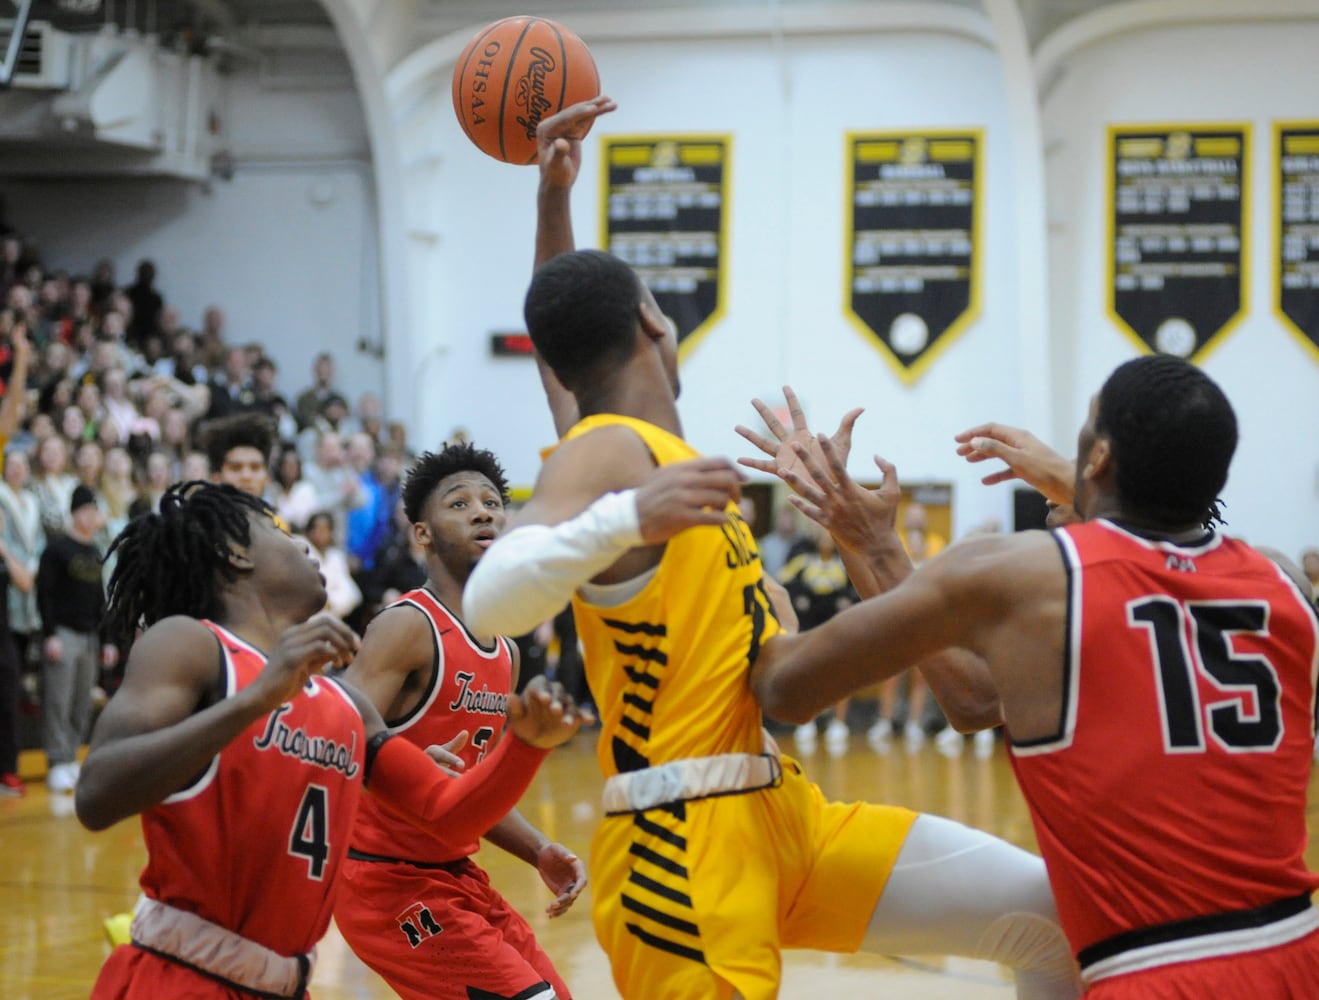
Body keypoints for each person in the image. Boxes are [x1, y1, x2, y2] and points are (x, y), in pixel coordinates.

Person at [463, 97, 1080, 1000]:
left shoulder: (639, 450)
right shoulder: (620, 462)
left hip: (784, 811)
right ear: (653, 323)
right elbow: (492, 596)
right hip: (682, 837)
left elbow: (570, 341)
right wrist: (624, 522)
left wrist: (553, 203)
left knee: (1048, 921)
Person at [746, 356, 1319, 997]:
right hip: (1295, 955)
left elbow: (785, 690)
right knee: (1045, 935)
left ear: (1097, 459)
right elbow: (973, 697)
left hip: (1155, 973)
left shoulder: (1028, 576)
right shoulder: (1283, 583)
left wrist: (812, 563)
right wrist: (1086, 487)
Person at [77, 480, 589, 999]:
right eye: (279, 530)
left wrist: (526, 747)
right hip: (178, 975)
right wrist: (257, 700)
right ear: (236, 555)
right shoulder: (192, 646)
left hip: (282, 981)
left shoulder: (343, 705)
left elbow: (448, 812)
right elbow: (96, 793)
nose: (303, 543)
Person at [335, 441, 585, 1000]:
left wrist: (539, 849)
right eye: (459, 503)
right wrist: (395, 762)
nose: (482, 511)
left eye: (493, 502)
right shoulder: (407, 626)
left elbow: (468, 793)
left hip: (453, 875)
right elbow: (334, 725)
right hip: (384, 880)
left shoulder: (506, 651)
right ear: (422, 534)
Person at [37, 484, 110, 794]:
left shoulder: (95, 551)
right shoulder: (56, 549)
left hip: (90, 636)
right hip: (63, 634)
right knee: (58, 700)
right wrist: (50, 633)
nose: (91, 516)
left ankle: (71, 758)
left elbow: (99, 599)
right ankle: (55, 761)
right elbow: (45, 595)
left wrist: (107, 639)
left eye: (94, 511)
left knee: (82, 702)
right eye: (86, 511)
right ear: (75, 512)